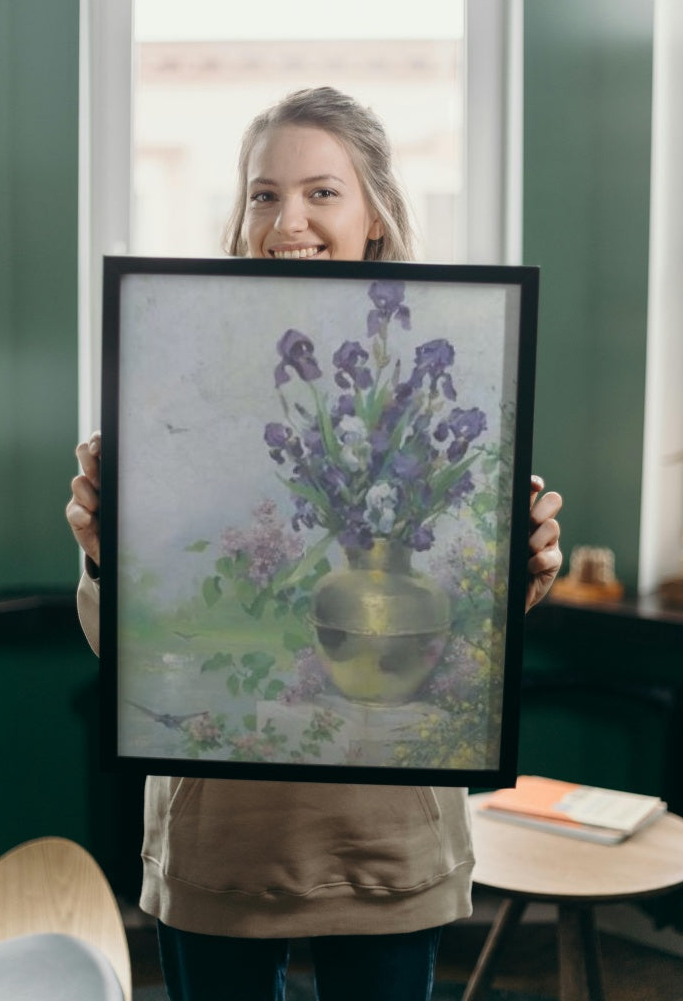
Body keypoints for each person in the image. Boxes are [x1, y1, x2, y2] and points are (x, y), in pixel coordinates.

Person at [67, 87, 563, 1001]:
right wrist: (104, 557)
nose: (286, 219)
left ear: (374, 213)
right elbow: (135, 650)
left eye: (320, 192)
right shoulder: (173, 386)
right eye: (263, 193)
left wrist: (514, 572)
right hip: (220, 842)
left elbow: (460, 641)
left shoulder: (445, 374)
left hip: (386, 838)